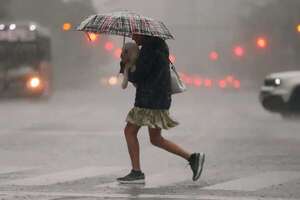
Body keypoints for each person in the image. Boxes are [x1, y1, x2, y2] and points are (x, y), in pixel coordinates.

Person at [117, 34, 205, 184]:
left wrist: (125, 65)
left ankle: (136, 172)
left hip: (149, 100)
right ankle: (193, 158)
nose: (133, 37)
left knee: (129, 131)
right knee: (156, 139)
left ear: (143, 33)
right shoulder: (158, 47)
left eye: (135, 33)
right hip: (158, 98)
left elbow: (139, 75)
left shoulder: (149, 49)